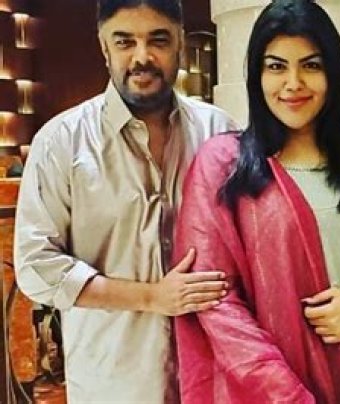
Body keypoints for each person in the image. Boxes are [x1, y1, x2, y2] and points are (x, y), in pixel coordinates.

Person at [13, 0, 236, 401]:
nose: (142, 57)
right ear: (104, 48)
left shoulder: (218, 131)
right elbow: (36, 267)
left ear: (180, 43)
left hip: (215, 381)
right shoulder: (61, 143)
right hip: (113, 384)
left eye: (158, 40)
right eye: (125, 42)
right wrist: (151, 297)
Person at [172, 1, 340, 403]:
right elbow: (216, 303)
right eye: (276, 66)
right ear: (257, 75)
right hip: (270, 391)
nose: (293, 83)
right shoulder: (224, 166)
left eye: (311, 65)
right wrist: (287, 395)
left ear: (333, 73)